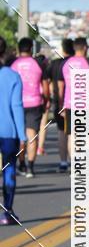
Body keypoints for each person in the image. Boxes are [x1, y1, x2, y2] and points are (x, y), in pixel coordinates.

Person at [10, 37, 49, 178]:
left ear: (19, 49)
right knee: (32, 135)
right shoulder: (38, 64)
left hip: (16, 104)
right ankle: (31, 167)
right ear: (31, 49)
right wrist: (46, 100)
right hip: (34, 103)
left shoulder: (13, 64)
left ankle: (22, 164)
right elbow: (45, 85)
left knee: (21, 135)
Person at [0, 37, 26, 224]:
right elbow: (17, 107)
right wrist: (22, 135)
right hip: (8, 132)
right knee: (9, 170)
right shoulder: (13, 76)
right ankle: (7, 212)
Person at [58, 37, 89, 159]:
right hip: (86, 105)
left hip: (69, 104)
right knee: (87, 135)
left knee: (72, 135)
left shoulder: (65, 64)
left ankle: (74, 163)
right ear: (85, 48)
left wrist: (61, 105)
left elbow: (61, 86)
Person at [48, 38, 74, 172]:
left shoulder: (56, 64)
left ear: (63, 49)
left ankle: (63, 162)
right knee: (76, 134)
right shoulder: (80, 62)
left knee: (62, 132)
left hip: (61, 102)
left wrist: (57, 103)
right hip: (79, 103)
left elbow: (53, 84)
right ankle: (76, 162)